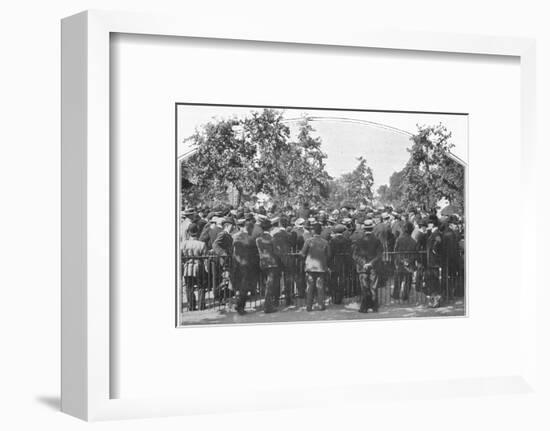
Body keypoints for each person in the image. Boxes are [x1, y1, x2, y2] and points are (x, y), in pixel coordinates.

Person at [352, 219, 383, 313]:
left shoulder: (359, 241)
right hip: (373, 267)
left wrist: (363, 263)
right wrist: (371, 263)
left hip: (362, 268)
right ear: (372, 228)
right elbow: (379, 255)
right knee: (373, 287)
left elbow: (355, 255)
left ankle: (364, 307)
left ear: (364, 229)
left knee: (364, 288)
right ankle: (374, 307)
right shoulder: (377, 240)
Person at [301, 222, 331, 312]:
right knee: (320, 287)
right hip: (321, 267)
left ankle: (309, 306)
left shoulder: (308, 241)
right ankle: (321, 305)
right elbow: (329, 255)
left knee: (310, 287)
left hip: (310, 267)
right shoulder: (325, 242)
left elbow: (302, 253)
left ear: (313, 231)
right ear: (321, 231)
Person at [231, 220, 258, 315]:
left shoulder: (235, 236)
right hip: (246, 266)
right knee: (244, 288)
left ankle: (238, 304)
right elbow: (255, 253)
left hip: (236, 265)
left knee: (238, 287)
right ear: (249, 228)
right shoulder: (250, 239)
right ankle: (240, 306)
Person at [255, 219, 281, 313]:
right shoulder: (271, 238)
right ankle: (268, 306)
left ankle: (267, 304)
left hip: (263, 262)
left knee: (266, 284)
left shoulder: (258, 239)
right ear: (270, 228)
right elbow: (276, 251)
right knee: (270, 285)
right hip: (272, 263)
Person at [181, 223, 207, 311]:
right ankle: (201, 305)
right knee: (201, 287)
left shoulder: (183, 244)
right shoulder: (202, 244)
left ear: (188, 232)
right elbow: (205, 257)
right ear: (198, 232)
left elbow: (181, 257)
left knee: (189, 287)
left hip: (187, 267)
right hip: (199, 266)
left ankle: (191, 306)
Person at [393, 221, 418, 301]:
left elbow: (395, 251)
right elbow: (415, 254)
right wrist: (408, 261)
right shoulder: (413, 241)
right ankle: (405, 296)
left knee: (398, 279)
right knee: (408, 280)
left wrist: (401, 260)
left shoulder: (399, 240)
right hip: (409, 264)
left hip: (400, 262)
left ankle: (396, 294)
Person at [212, 217, 235, 303]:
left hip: (227, 260)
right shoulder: (223, 234)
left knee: (226, 280)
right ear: (228, 225)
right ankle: (220, 297)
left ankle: (223, 298)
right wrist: (223, 254)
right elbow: (215, 245)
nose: (234, 228)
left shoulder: (227, 235)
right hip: (223, 261)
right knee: (224, 280)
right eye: (233, 226)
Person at [329, 224, 352, 304]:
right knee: (343, 279)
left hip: (335, 261)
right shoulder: (347, 240)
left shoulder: (332, 241)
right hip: (344, 261)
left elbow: (330, 253)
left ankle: (334, 297)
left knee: (334, 279)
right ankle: (341, 297)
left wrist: (329, 264)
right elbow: (349, 252)